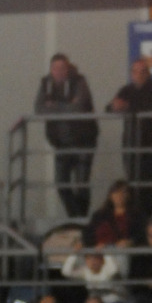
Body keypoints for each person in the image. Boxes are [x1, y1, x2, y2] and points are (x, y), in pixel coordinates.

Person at [34, 53, 98, 218]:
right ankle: (76, 217)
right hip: (61, 143)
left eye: (62, 68)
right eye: (55, 68)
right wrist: (67, 105)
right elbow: (39, 109)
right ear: (51, 70)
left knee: (81, 185)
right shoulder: (45, 83)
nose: (59, 71)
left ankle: (80, 219)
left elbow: (79, 108)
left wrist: (54, 105)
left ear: (68, 69)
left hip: (84, 141)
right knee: (61, 184)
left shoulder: (79, 81)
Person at [107, 57, 152, 216]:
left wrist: (127, 105)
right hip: (130, 141)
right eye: (135, 71)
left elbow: (150, 105)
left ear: (148, 73)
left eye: (142, 71)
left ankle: (147, 213)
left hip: (149, 141)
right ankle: (135, 212)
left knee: (147, 180)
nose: (138, 75)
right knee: (131, 178)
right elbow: (109, 107)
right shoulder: (126, 90)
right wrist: (115, 106)